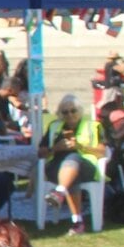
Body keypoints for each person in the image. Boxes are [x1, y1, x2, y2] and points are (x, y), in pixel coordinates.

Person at [39, 94, 104, 236]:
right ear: (60, 114)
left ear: (80, 111)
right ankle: (76, 221)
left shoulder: (92, 126)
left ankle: (60, 194)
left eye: (73, 111)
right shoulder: (54, 127)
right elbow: (40, 153)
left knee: (73, 157)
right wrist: (55, 148)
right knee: (72, 170)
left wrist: (80, 146)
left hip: (86, 167)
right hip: (56, 168)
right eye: (65, 112)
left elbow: (102, 152)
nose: (70, 115)